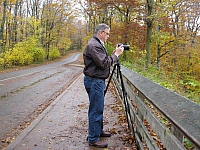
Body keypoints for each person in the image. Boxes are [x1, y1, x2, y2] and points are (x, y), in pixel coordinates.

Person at [83, 23, 124, 148]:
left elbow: (102, 60)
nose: (108, 36)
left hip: (96, 80)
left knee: (98, 107)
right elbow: (104, 63)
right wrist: (116, 55)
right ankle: (93, 138)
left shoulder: (97, 44)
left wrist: (113, 55)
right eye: (107, 33)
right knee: (96, 109)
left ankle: (97, 131)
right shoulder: (94, 45)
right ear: (100, 33)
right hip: (95, 81)